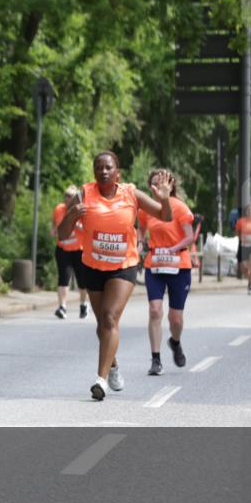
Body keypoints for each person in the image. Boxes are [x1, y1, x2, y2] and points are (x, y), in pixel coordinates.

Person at [57, 151, 172, 401]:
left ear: (117, 172)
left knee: (109, 318)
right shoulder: (83, 194)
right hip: (93, 267)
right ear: (94, 172)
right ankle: (114, 367)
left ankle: (100, 380)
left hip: (124, 266)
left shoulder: (131, 193)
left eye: (108, 167)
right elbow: (62, 233)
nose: (104, 171)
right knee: (103, 327)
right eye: (99, 167)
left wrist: (164, 199)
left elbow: (166, 216)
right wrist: (71, 215)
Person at [137, 169, 194, 376]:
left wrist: (174, 247)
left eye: (161, 183)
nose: (157, 187)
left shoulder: (180, 208)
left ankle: (175, 342)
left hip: (179, 265)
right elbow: (141, 230)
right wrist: (139, 244)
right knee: (154, 311)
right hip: (155, 265)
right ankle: (156, 359)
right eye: (153, 183)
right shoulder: (145, 209)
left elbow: (189, 237)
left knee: (175, 319)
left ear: (169, 185)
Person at [51, 185, 89, 320]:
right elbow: (54, 224)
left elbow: (88, 229)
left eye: (70, 196)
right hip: (63, 249)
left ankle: (83, 305)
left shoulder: (81, 210)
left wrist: (76, 224)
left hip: (79, 250)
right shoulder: (59, 209)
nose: (67, 199)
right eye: (65, 195)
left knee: (82, 281)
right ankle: (62, 307)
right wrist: (53, 230)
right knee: (63, 278)